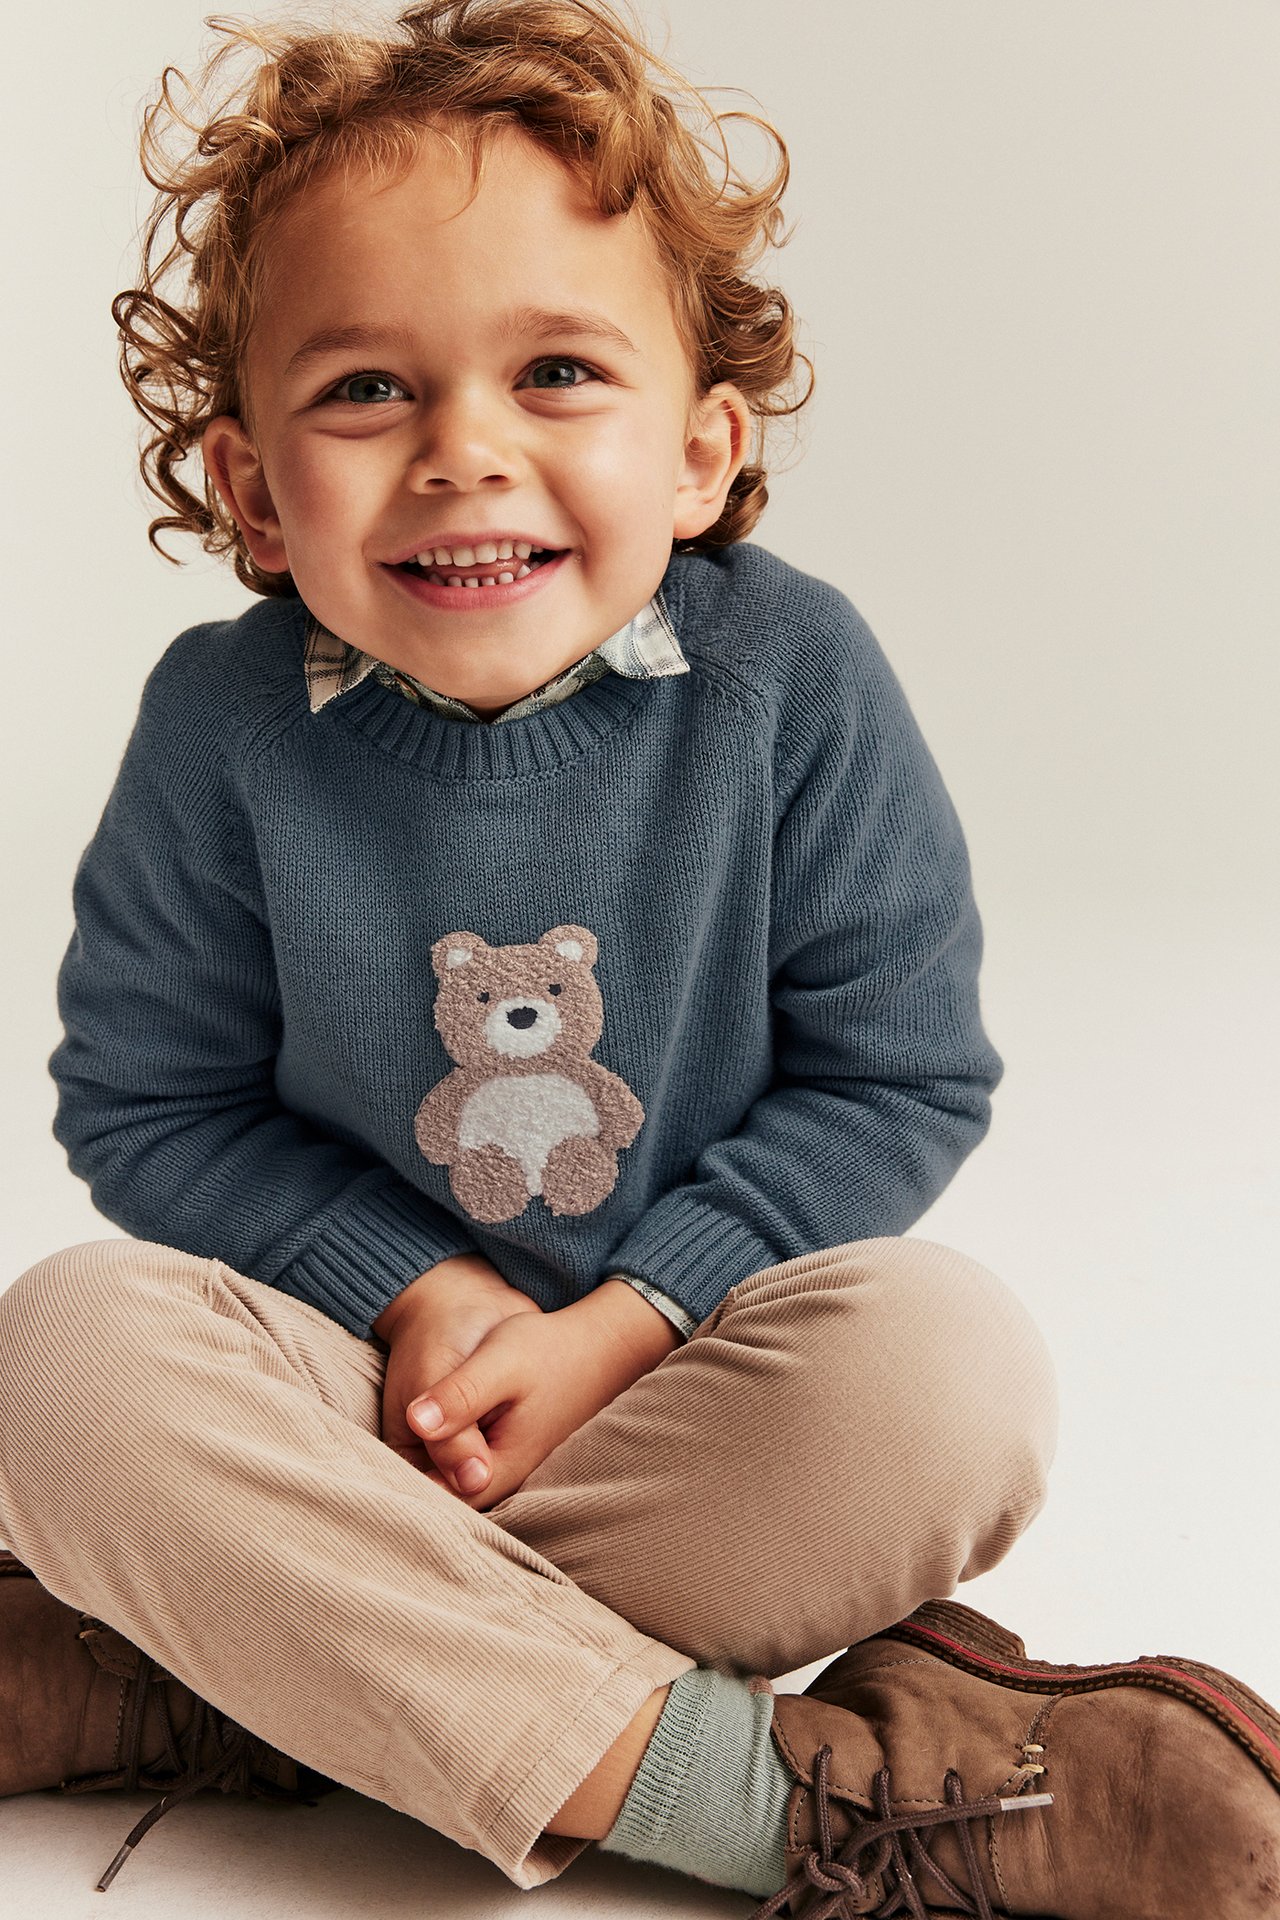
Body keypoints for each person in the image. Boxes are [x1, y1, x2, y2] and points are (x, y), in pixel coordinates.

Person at [1, 2, 1275, 1912]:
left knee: (951, 1375)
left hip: (684, 1396)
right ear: (254, 489)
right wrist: (413, 1293)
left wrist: (628, 1320)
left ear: (698, 451)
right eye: (367, 390)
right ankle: (780, 1810)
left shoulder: (791, 682)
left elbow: (898, 1077)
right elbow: (148, 1104)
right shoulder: (224, 727)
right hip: (361, 1411)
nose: (465, 451)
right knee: (63, 1361)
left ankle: (231, 1666)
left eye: (557, 373)